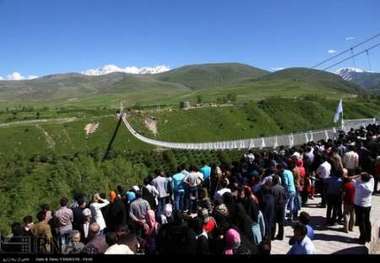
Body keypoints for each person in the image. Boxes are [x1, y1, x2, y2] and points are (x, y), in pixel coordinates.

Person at [351, 172, 375, 244]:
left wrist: (358, 175)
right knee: (367, 221)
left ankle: (362, 238)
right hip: (368, 205)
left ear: (361, 178)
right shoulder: (371, 183)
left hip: (359, 205)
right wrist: (364, 175)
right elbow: (371, 177)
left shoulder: (359, 184)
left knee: (361, 222)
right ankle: (368, 237)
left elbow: (351, 179)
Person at [271, 175, 287, 240]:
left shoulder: (272, 189)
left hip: (275, 207)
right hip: (282, 206)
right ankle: (280, 236)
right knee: (281, 222)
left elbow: (272, 199)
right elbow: (286, 197)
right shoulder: (282, 188)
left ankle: (272, 235)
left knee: (273, 222)